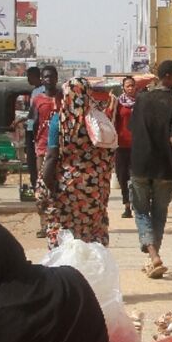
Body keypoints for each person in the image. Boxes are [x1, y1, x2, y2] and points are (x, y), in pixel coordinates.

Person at [130, 60, 172, 278]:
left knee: (141, 211)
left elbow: (133, 129)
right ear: (167, 76)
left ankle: (153, 256)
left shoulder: (141, 99)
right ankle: (154, 256)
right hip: (164, 166)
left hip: (140, 163)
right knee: (159, 213)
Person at [36, 78, 115, 247]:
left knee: (63, 236)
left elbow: (51, 157)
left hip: (66, 188)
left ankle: (65, 263)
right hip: (95, 189)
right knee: (92, 235)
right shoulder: (99, 119)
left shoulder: (60, 120)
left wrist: (47, 187)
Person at [30, 66, 60, 238]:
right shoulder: (37, 100)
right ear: (42, 79)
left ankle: (59, 222)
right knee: (42, 186)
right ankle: (44, 224)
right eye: (46, 77)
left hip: (61, 149)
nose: (49, 79)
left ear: (56, 78)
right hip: (43, 149)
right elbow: (33, 123)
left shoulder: (63, 98)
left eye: (52, 76)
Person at [13, 66, 44, 192]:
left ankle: (37, 185)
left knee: (34, 157)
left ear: (35, 76)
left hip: (37, 129)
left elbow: (36, 113)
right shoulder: (35, 91)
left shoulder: (41, 91)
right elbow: (32, 113)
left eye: (29, 77)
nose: (28, 80)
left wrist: (28, 125)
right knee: (31, 158)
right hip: (32, 127)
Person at [112, 76, 139, 218]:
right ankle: (127, 206)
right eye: (128, 86)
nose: (130, 88)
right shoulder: (118, 103)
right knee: (122, 177)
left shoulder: (141, 102)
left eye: (132, 85)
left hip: (138, 145)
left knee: (137, 177)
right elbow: (113, 121)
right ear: (123, 88)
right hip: (121, 145)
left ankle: (138, 204)